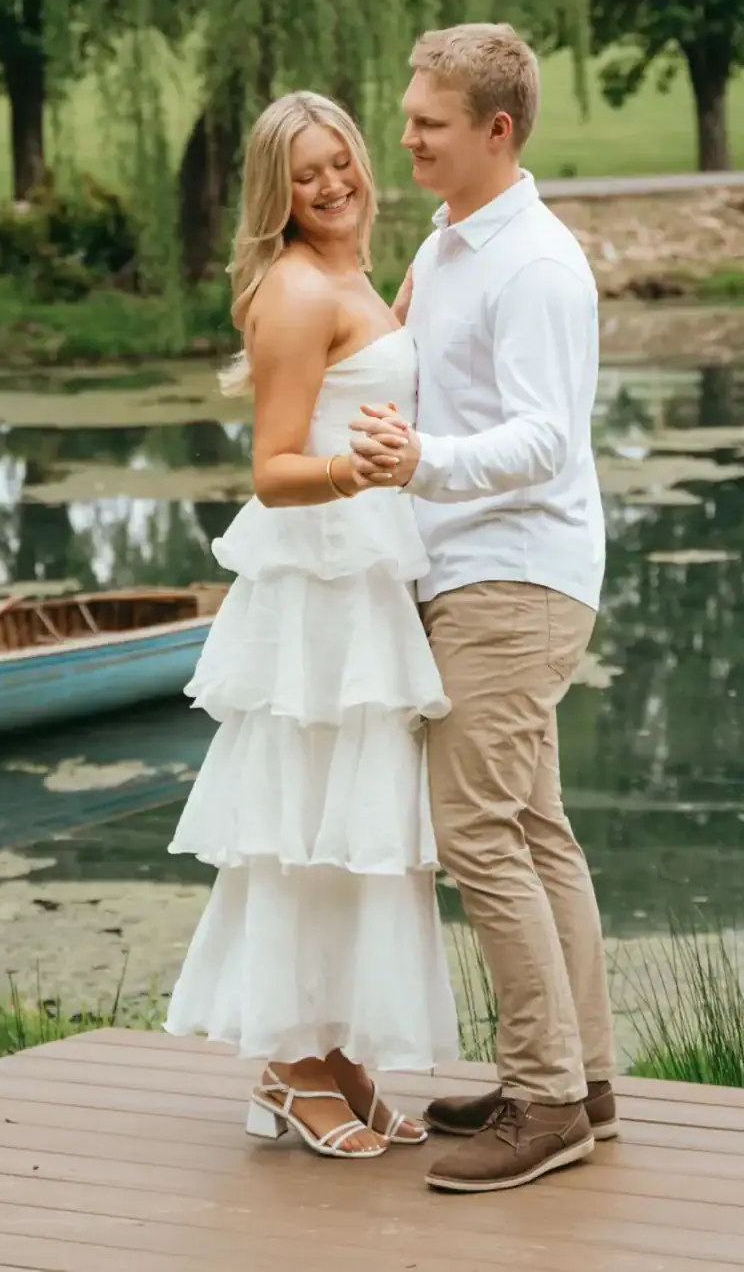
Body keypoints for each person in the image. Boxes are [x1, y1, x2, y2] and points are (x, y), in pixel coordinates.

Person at [162, 89, 458, 1159]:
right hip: (316, 597)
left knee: (355, 827)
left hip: (365, 583)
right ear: (275, 192)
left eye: (341, 162)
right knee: (302, 826)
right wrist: (355, 471)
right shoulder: (293, 289)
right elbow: (272, 469)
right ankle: (287, 1066)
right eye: (306, 174)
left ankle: (334, 1054)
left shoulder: (354, 274)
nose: (332, 184)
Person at [348, 23, 617, 1195]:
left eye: (429, 122)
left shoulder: (536, 266)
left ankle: (544, 1103)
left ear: (495, 131)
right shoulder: (449, 240)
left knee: (477, 835)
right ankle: (578, 1082)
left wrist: (422, 463)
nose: (405, 137)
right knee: (534, 831)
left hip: (512, 576)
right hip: (471, 567)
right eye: (409, 115)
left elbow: (546, 438)